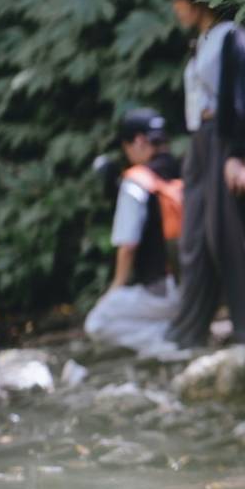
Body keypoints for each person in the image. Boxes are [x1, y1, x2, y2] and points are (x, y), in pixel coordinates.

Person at [162, 0, 245, 349]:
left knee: (228, 237)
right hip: (200, 144)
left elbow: (240, 101)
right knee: (193, 238)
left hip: (224, 142)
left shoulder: (232, 38)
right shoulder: (201, 42)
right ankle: (187, 333)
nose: (176, 8)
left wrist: (237, 155)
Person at [84, 109, 184, 360]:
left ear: (139, 141)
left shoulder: (136, 182)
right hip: (200, 290)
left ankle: (163, 340)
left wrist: (114, 290)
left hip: (164, 295)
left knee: (96, 323)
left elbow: (127, 245)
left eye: (125, 146)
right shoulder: (185, 170)